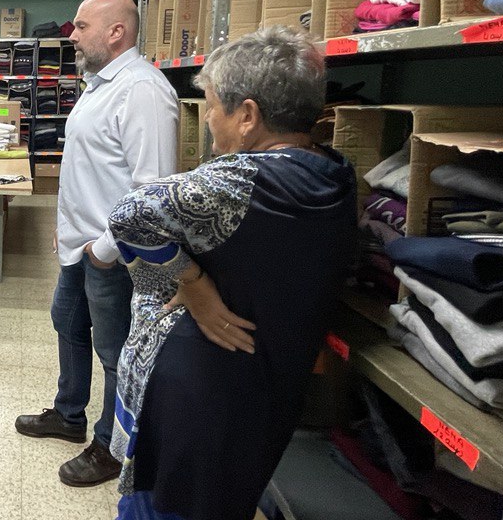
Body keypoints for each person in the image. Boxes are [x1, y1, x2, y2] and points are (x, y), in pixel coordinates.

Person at [104, 28, 357, 520]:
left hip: (197, 393)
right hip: (263, 391)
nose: (209, 120)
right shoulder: (332, 173)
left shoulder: (238, 182)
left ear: (247, 116)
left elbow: (128, 214)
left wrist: (193, 284)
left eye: (214, 105)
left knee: (163, 506)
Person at [15, 0, 178, 487]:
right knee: (67, 323)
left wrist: (105, 250)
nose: (71, 34)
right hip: (79, 246)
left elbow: (151, 189)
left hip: (112, 255)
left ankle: (110, 446)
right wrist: (69, 234)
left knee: (114, 351)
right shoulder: (99, 83)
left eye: (82, 26)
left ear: (116, 32)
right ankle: (69, 416)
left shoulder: (143, 91)